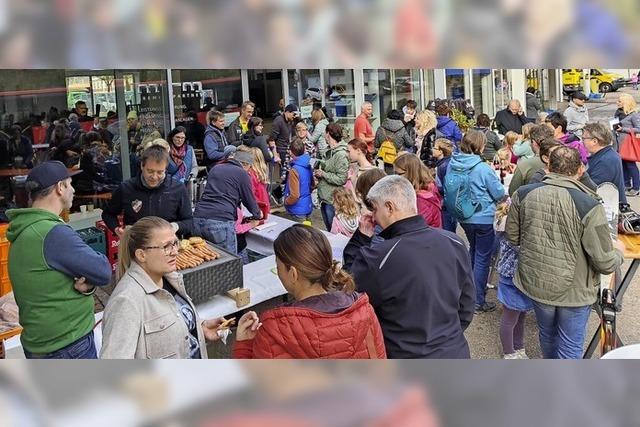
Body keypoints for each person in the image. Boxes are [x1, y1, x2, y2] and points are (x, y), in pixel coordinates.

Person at [506, 146, 625, 359]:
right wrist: (619, 253)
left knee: (548, 334)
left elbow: (513, 238)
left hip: (536, 281)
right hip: (574, 290)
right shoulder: (588, 205)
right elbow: (605, 262)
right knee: (570, 345)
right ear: (580, 169)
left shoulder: (522, 194)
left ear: (548, 166)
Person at [345, 175, 475, 358]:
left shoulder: (379, 257)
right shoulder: (454, 241)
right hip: (453, 352)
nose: (373, 216)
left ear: (389, 207)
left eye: (374, 209)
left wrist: (360, 239)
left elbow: (349, 288)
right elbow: (466, 304)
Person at [7, 161, 112, 358]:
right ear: (60, 187)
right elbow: (103, 271)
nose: (73, 189)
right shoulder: (52, 233)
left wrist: (86, 285)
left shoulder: (23, 229)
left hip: (39, 344)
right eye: (70, 184)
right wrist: (87, 280)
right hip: (68, 345)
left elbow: (47, 283)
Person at [233, 225, 386, 359]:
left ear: (293, 274)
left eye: (277, 263)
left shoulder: (274, 329)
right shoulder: (364, 310)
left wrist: (244, 345)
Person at [100, 217, 226, 359]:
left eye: (175, 243)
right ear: (141, 255)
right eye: (166, 247)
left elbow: (167, 325)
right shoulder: (126, 301)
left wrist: (199, 328)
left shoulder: (169, 279)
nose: (175, 252)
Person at [445, 130, 506, 313]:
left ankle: (466, 295)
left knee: (473, 252)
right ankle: (477, 300)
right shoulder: (482, 168)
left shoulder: (453, 164)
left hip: (463, 215)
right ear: (480, 146)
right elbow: (498, 193)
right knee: (482, 258)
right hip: (483, 216)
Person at [102, 144, 193, 237]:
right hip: (135, 243)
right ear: (142, 166)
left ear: (166, 169)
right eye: (150, 171)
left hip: (167, 245)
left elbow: (189, 222)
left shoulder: (178, 188)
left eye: (160, 172)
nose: (154, 177)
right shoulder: (126, 188)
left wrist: (174, 226)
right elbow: (108, 214)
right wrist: (116, 229)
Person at [193, 150, 262, 254]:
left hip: (198, 218)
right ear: (245, 164)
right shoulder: (242, 173)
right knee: (227, 261)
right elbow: (248, 199)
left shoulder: (216, 168)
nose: (249, 171)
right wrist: (257, 215)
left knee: (204, 259)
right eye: (250, 167)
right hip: (221, 221)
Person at [493, 201, 533, 359]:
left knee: (520, 315)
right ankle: (509, 352)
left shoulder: (507, 225)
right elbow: (522, 249)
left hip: (517, 278)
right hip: (512, 278)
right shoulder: (512, 231)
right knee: (510, 318)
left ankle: (518, 347)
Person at [315, 123, 349, 231]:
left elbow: (341, 179)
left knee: (333, 230)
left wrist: (323, 174)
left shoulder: (340, 154)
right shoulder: (329, 150)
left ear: (328, 134)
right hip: (324, 197)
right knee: (328, 228)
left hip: (333, 199)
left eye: (325, 133)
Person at [393, 153, 441, 228]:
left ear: (410, 173)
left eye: (398, 174)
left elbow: (412, 228)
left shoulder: (422, 201)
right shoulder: (423, 188)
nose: (395, 177)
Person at [583, 122, 627, 204]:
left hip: (608, 208)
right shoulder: (605, 154)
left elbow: (593, 189)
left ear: (594, 141)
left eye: (584, 139)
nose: (582, 142)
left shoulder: (607, 160)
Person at [528, 141, 597, 191]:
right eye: (555, 154)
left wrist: (581, 174)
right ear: (545, 158)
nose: (561, 155)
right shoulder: (538, 178)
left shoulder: (577, 171)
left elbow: (594, 190)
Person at [508, 124, 555, 195]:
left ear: (534, 142)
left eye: (530, 141)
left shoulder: (525, 165)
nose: (530, 144)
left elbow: (513, 192)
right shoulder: (563, 160)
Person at [614, 93, 640, 196]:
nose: (617, 102)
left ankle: (636, 187)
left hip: (627, 143)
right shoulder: (618, 112)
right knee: (623, 165)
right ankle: (626, 185)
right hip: (618, 142)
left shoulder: (634, 114)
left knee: (630, 165)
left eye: (619, 101)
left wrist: (623, 129)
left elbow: (638, 128)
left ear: (626, 102)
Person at [236, 145, 270, 219]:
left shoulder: (250, 174)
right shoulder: (262, 172)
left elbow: (250, 194)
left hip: (256, 206)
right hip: (264, 203)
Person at [284, 138, 313, 222]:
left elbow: (294, 195)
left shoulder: (294, 170)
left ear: (291, 152)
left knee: (299, 234)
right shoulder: (308, 164)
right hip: (307, 205)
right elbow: (312, 185)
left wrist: (286, 201)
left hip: (297, 209)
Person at [432, 138, 456, 232]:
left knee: (447, 230)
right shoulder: (444, 163)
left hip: (446, 205)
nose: (432, 150)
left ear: (441, 151)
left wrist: (435, 188)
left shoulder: (444, 166)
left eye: (434, 148)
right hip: (447, 204)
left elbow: (446, 187)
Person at [270, 104, 298, 170]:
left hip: (289, 149)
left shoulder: (291, 121)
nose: (294, 116)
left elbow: (294, 135)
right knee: (285, 172)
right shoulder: (278, 121)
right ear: (287, 112)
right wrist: (275, 154)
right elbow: (271, 139)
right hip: (281, 150)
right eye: (293, 114)